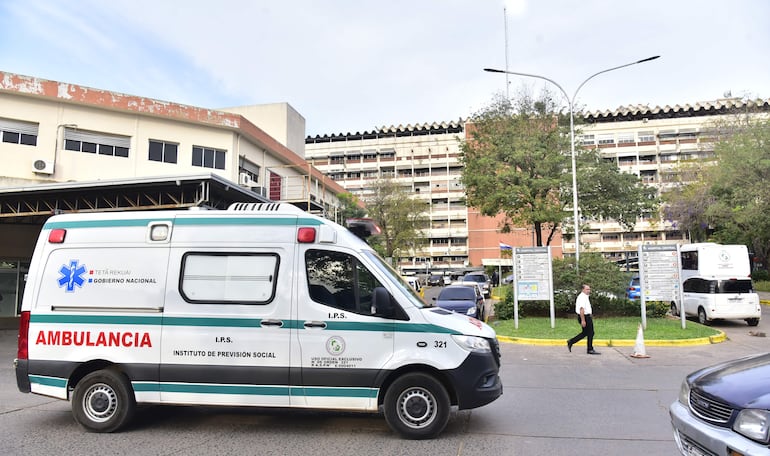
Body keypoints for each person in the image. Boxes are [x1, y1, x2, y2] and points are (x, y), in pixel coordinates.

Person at [567, 284, 600, 355]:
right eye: (587, 289)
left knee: (585, 333)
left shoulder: (585, 297)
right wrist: (583, 320)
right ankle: (590, 349)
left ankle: (571, 341)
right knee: (591, 333)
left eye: (589, 289)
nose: (589, 291)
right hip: (585, 317)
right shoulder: (582, 297)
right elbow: (581, 309)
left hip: (587, 316)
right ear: (583, 289)